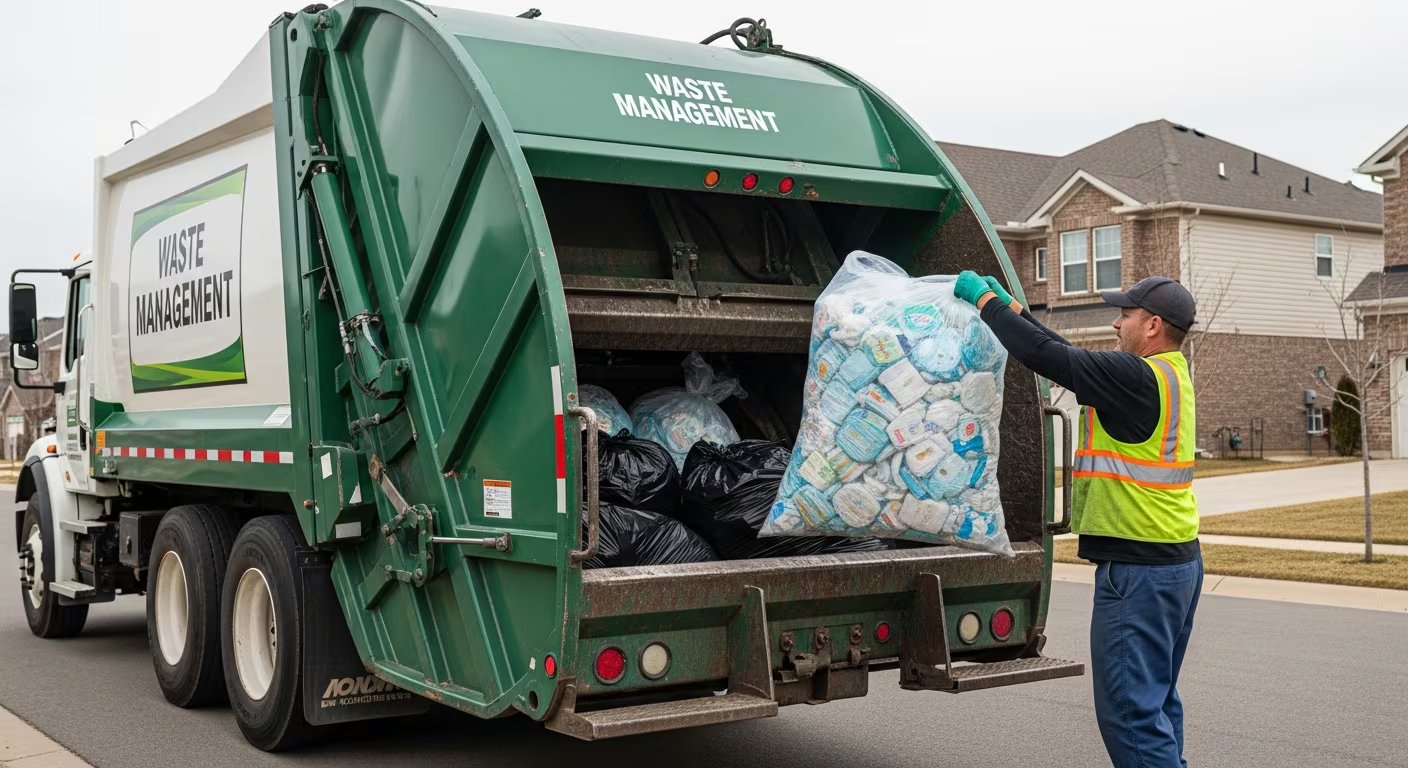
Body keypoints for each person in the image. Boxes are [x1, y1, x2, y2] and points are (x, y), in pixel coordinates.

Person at [953, 270, 1203, 768]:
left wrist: (984, 303)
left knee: (1131, 716)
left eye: (1125, 315)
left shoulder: (1135, 378)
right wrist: (1019, 316)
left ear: (1152, 325)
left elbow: (1053, 360)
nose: (1116, 324)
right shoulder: (1167, 375)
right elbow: (1071, 358)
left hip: (1139, 573)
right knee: (1155, 703)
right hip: (1174, 565)